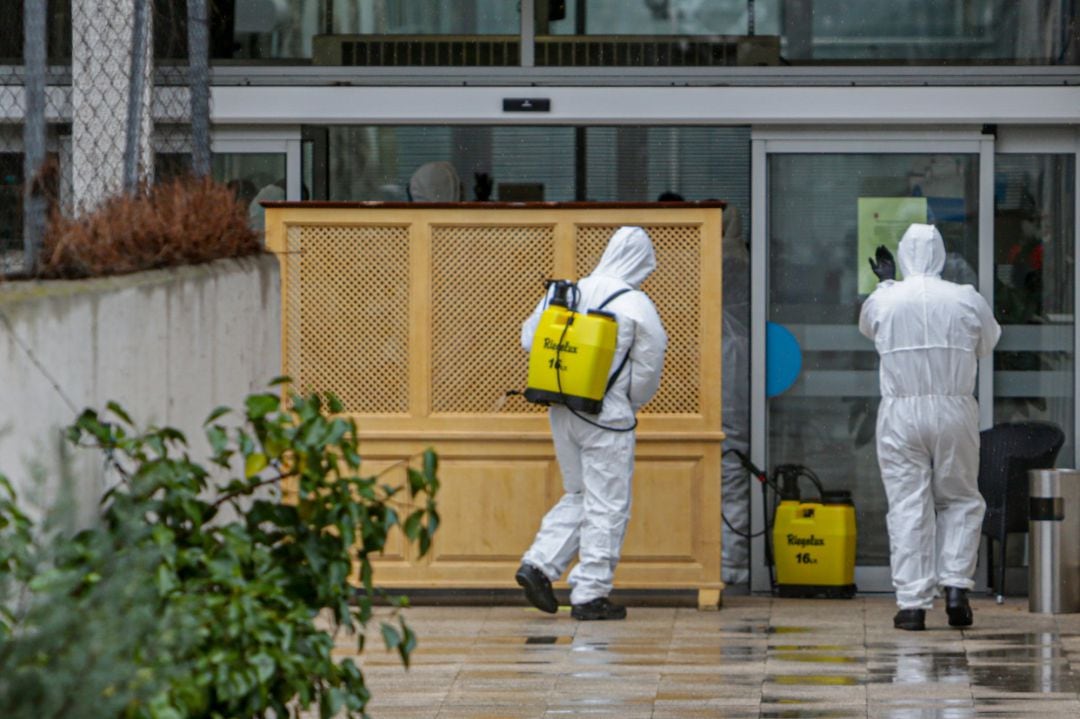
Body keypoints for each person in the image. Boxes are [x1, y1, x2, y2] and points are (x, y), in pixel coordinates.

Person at [515, 226, 668, 621]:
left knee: (580, 493)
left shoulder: (564, 291)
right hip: (606, 417)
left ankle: (539, 564)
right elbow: (649, 366)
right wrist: (627, 402)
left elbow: (530, 340)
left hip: (561, 407)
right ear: (640, 262)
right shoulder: (636, 303)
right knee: (608, 504)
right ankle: (590, 594)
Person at [859, 223, 1000, 631]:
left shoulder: (886, 301)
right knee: (959, 497)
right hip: (954, 406)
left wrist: (886, 285)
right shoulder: (965, 298)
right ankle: (956, 587)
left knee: (907, 504)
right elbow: (988, 342)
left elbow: (868, 327)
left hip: (901, 412)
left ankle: (911, 605)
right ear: (940, 254)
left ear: (902, 257)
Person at [719, 207, 751, 588]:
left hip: (727, 369)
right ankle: (733, 561)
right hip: (735, 369)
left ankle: (731, 564)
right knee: (733, 467)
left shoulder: (725, 260)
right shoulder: (741, 259)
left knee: (729, 468)